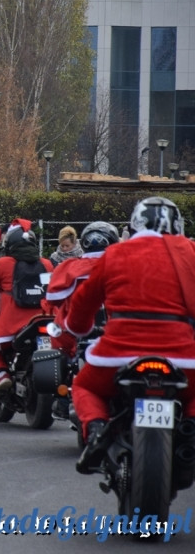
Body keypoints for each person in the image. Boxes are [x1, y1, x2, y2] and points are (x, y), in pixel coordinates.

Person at [65, 198, 195, 474]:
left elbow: (83, 303)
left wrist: (78, 328)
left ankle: (97, 428)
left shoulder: (115, 253)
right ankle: (191, 427)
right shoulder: (190, 252)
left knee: (84, 387)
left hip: (118, 352)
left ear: (134, 224)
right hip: (182, 354)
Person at [0, 219, 53, 396]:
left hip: (14, 324)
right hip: (44, 319)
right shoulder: (46, 264)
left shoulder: (5, 264)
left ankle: (1, 375)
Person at [44, 221, 119, 361]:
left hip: (74, 333)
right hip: (118, 331)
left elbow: (53, 298)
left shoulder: (69, 267)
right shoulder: (124, 265)